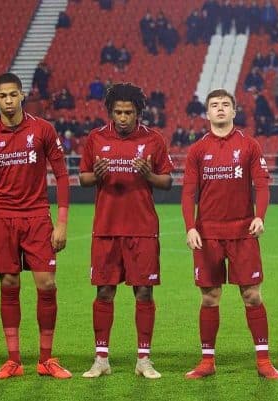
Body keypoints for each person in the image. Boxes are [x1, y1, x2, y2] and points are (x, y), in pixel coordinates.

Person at [0, 72, 71, 379]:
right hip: (2, 219)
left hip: (38, 217)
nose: (8, 100)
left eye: (13, 95)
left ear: (22, 95)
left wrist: (62, 222)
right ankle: (13, 360)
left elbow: (63, 175)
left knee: (47, 285)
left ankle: (46, 358)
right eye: (2, 96)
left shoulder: (42, 129)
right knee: (9, 285)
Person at [182, 89, 278, 380]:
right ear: (208, 113)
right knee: (210, 297)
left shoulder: (249, 145)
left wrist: (259, 217)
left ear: (234, 111)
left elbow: (262, 185)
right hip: (208, 234)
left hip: (242, 232)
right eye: (215, 105)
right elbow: (189, 192)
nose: (220, 109)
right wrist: (190, 226)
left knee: (252, 295)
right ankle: (207, 362)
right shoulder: (197, 150)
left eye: (226, 105)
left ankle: (263, 362)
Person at [78, 83, 173, 379]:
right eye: (118, 112)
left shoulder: (154, 140)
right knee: (104, 292)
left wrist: (149, 175)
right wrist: (97, 176)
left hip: (142, 229)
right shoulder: (95, 138)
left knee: (143, 292)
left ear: (139, 113)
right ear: (110, 112)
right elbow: (82, 178)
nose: (123, 118)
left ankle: (143, 359)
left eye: (128, 112)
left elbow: (168, 182)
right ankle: (101, 358)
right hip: (106, 229)